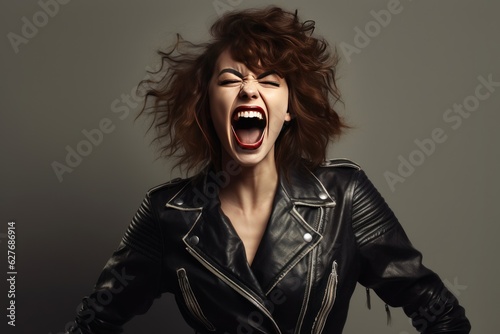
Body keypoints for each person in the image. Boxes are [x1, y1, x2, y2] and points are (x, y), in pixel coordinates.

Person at [67, 6, 471, 334]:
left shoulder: (345, 195)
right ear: (207, 105)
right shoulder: (166, 213)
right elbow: (92, 323)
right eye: (231, 80)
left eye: (268, 80)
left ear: (290, 108)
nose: (249, 89)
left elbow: (443, 318)